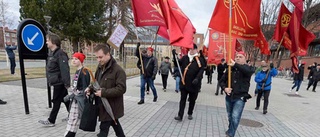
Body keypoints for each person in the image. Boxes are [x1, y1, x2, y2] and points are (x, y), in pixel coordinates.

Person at [86, 44, 126, 137]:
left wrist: (103, 92)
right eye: (97, 57)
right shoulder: (100, 67)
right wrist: (90, 88)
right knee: (115, 125)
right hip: (101, 105)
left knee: (103, 130)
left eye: (100, 57)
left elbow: (121, 89)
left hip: (111, 106)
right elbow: (96, 82)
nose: (98, 60)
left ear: (108, 54)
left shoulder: (118, 70)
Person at [219, 51, 254, 137]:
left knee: (235, 116)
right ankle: (231, 128)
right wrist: (225, 88)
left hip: (240, 97)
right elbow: (221, 81)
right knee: (230, 115)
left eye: (240, 57)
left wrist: (235, 65)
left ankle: (231, 134)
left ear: (245, 59)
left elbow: (248, 72)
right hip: (229, 96)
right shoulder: (230, 69)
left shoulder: (248, 68)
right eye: (237, 56)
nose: (238, 58)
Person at [39, 33, 70, 127]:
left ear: (53, 41)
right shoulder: (53, 54)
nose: (46, 42)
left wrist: (67, 83)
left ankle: (51, 120)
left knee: (56, 101)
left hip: (60, 82)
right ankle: (74, 115)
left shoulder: (60, 54)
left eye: (47, 40)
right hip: (57, 81)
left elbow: (64, 70)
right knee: (65, 99)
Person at [173, 43, 206, 121]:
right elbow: (177, 64)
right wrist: (174, 56)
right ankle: (180, 115)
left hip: (194, 84)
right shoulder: (185, 58)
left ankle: (190, 113)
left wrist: (197, 78)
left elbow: (201, 70)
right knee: (182, 100)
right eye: (190, 49)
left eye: (193, 49)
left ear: (196, 50)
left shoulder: (199, 59)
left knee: (192, 100)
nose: (191, 51)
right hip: (184, 83)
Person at [64, 52, 91, 137]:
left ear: (81, 60)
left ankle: (69, 134)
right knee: (73, 118)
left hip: (79, 99)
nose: (74, 60)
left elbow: (84, 88)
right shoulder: (77, 71)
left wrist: (77, 95)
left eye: (76, 59)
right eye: (73, 59)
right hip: (75, 98)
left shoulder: (84, 72)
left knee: (74, 118)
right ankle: (69, 133)